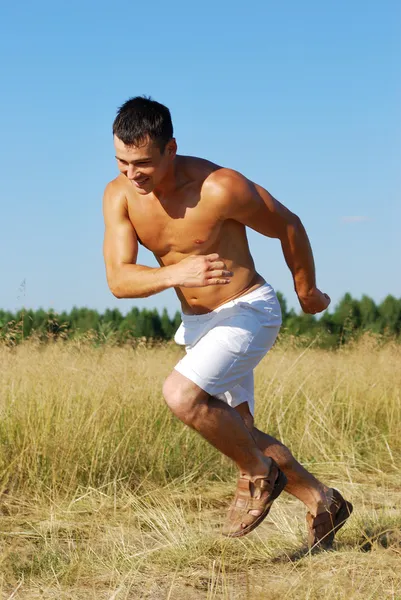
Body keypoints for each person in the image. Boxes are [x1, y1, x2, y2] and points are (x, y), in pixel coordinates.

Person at [102, 96, 352, 547]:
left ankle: (259, 473)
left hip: (247, 309)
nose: (131, 174)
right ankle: (323, 501)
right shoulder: (120, 195)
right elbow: (119, 280)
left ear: (170, 148)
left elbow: (288, 225)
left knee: (182, 396)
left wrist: (307, 290)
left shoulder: (220, 187)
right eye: (121, 161)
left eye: (142, 163)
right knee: (241, 430)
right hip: (197, 323)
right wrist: (177, 273)